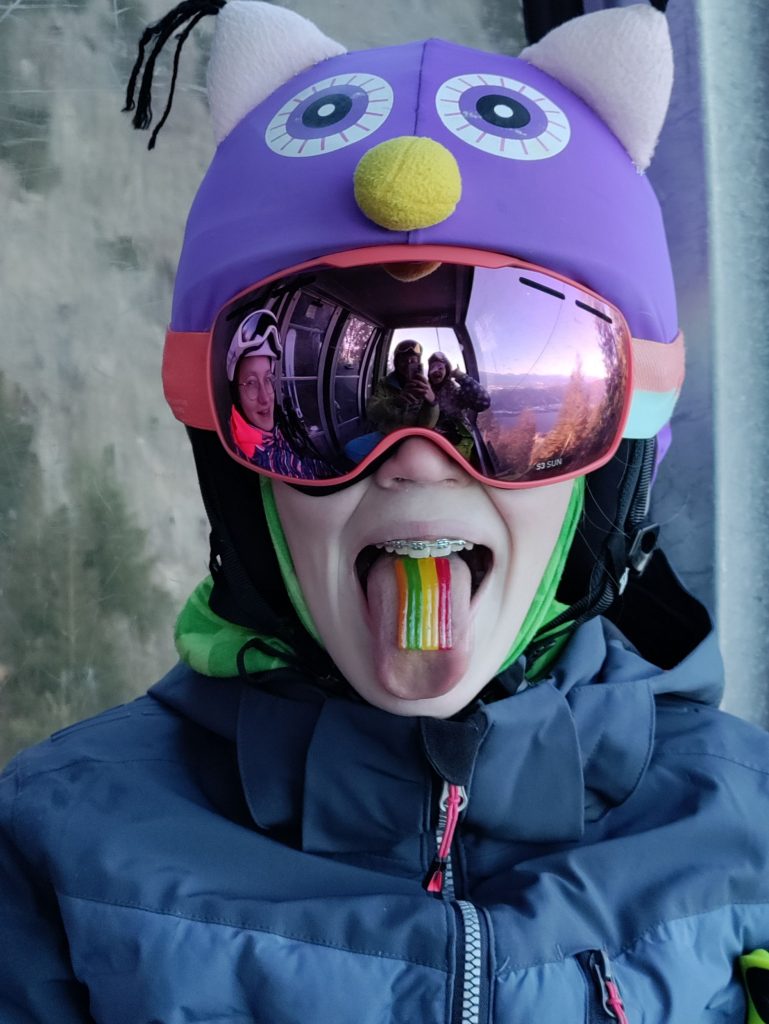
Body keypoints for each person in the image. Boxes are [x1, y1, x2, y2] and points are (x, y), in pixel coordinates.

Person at [2, 3, 769, 1022]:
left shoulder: (748, 831)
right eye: (336, 403)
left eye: (511, 393)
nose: (415, 460)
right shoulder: (62, 853)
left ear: (611, 468)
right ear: (236, 472)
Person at [227, 307, 331, 480]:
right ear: (236, 394)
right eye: (251, 383)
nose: (265, 398)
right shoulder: (268, 463)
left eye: (268, 378)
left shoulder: (267, 431)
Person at [366, 338, 440, 434]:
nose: (408, 364)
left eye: (413, 361)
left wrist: (432, 402)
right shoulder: (384, 382)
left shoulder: (424, 386)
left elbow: (428, 426)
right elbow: (372, 413)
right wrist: (396, 401)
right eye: (403, 360)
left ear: (418, 363)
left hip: (414, 436)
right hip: (387, 435)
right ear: (396, 363)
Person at [427, 351, 490, 460]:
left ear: (447, 371)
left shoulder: (455, 393)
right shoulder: (424, 391)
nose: (436, 370)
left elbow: (483, 401)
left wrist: (461, 376)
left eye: (440, 368)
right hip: (431, 445)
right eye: (432, 367)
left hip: (457, 446)